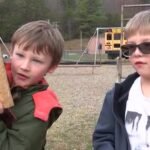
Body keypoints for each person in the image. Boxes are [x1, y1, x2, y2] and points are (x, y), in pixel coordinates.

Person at [0, 20, 64, 150]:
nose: (24, 66)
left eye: (36, 61)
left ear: (51, 67)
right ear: (11, 52)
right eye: (20, 55)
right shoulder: (3, 80)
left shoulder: (39, 108)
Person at [93, 10, 150, 150]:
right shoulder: (117, 96)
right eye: (130, 47)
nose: (136, 53)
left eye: (147, 46)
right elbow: (103, 137)